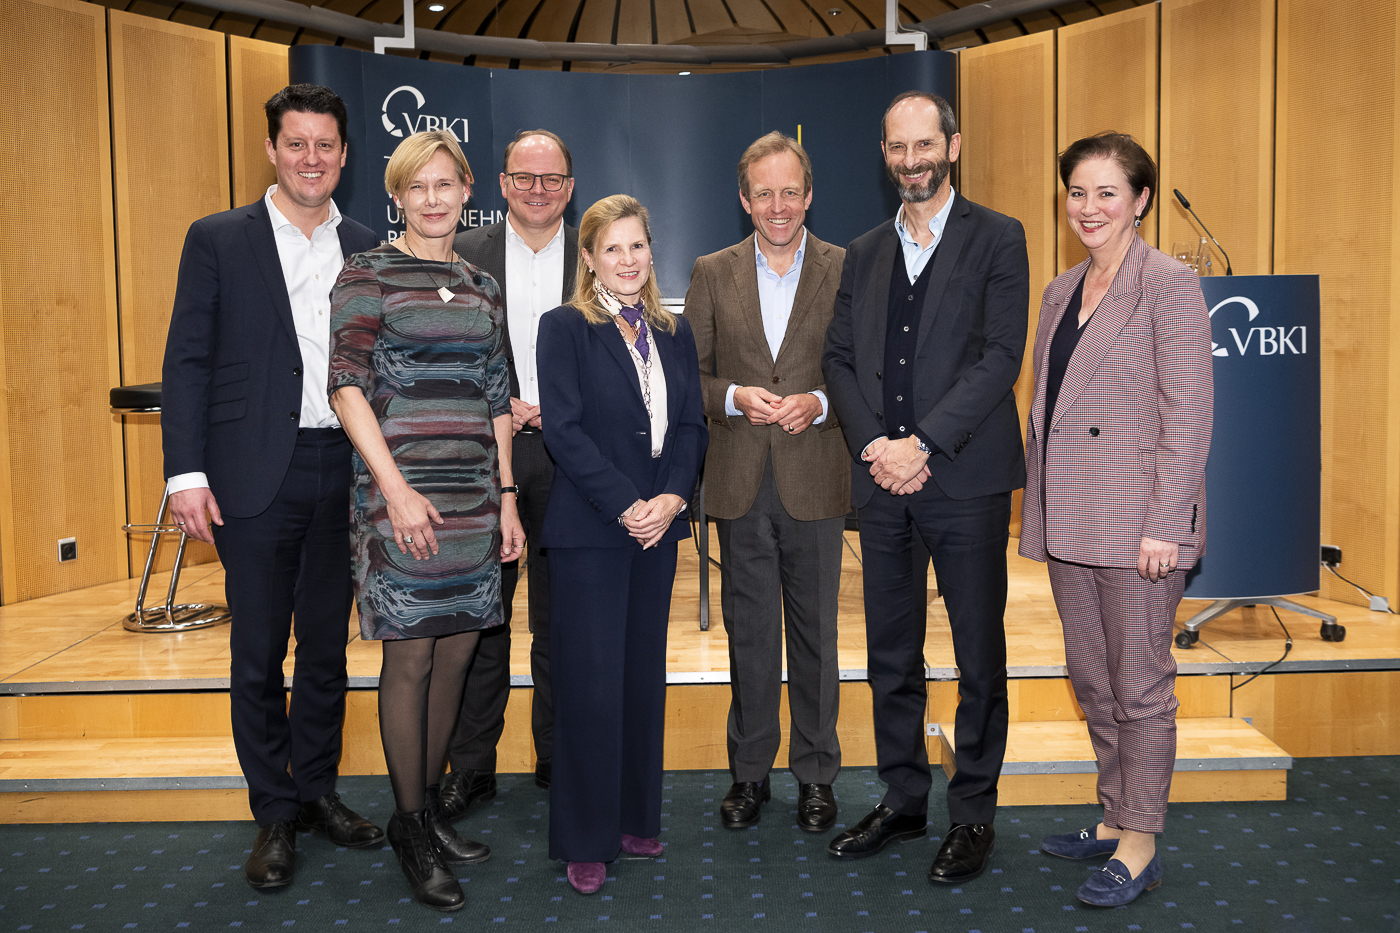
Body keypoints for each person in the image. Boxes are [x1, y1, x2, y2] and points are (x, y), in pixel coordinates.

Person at [162, 84, 384, 891]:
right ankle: (273, 811)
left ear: (345, 155)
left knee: (326, 647)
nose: (312, 158)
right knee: (257, 650)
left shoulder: (363, 243)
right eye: (297, 144)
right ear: (271, 149)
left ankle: (318, 789)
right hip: (253, 473)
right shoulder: (218, 238)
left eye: (326, 145)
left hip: (343, 469)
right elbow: (187, 358)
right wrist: (185, 472)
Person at [821, 90, 1029, 884]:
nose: (912, 160)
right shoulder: (864, 251)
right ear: (884, 154)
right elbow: (838, 358)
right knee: (890, 655)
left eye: (924, 145)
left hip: (964, 479)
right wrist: (877, 444)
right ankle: (905, 799)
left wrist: (924, 444)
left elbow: (1000, 359)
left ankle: (972, 812)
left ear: (953, 145)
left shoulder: (999, 238)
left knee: (979, 656)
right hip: (881, 484)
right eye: (897, 148)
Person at [327, 130, 525, 912]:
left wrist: (507, 497)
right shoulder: (367, 271)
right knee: (410, 658)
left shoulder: (480, 282)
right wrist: (396, 489)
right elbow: (345, 387)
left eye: (446, 184)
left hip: (474, 497)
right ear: (399, 196)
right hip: (399, 495)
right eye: (419, 187)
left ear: (466, 188)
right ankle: (409, 824)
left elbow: (496, 395)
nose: (434, 199)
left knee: (458, 653)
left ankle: (431, 806)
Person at [1020, 132, 1212, 908]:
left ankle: (1140, 841)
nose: (1088, 207)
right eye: (1076, 191)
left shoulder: (1168, 283)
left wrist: (1167, 521)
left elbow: (1188, 415)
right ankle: (1112, 812)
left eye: (1106, 192)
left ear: (1140, 200)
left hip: (1139, 528)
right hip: (1070, 517)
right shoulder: (1061, 289)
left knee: (1140, 688)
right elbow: (1049, 406)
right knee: (1093, 681)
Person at [536, 195, 707, 895]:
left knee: (640, 679)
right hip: (592, 531)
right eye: (612, 249)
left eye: (637, 247)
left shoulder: (675, 332)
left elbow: (692, 425)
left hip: (657, 531)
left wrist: (670, 499)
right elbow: (564, 432)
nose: (628, 261)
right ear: (588, 257)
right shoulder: (565, 328)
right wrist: (628, 504)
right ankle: (585, 837)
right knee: (590, 687)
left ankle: (635, 818)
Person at [686, 131, 849, 832]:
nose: (777, 205)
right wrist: (733, 397)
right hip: (740, 480)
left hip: (815, 476)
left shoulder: (848, 267)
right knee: (749, 635)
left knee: (816, 638)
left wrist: (819, 403)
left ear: (808, 195)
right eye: (764, 193)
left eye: (790, 192)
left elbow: (867, 375)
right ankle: (749, 774)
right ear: (744, 199)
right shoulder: (711, 271)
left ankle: (816, 775)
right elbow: (687, 375)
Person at [443, 129, 579, 814]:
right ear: (500, 185)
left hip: (568, 459)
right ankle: (473, 765)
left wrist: (564, 410)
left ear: (569, 188)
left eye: (550, 179)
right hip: (482, 459)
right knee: (483, 620)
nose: (536, 190)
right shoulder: (463, 255)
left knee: (560, 621)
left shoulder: (596, 254)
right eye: (523, 177)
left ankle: (557, 757)